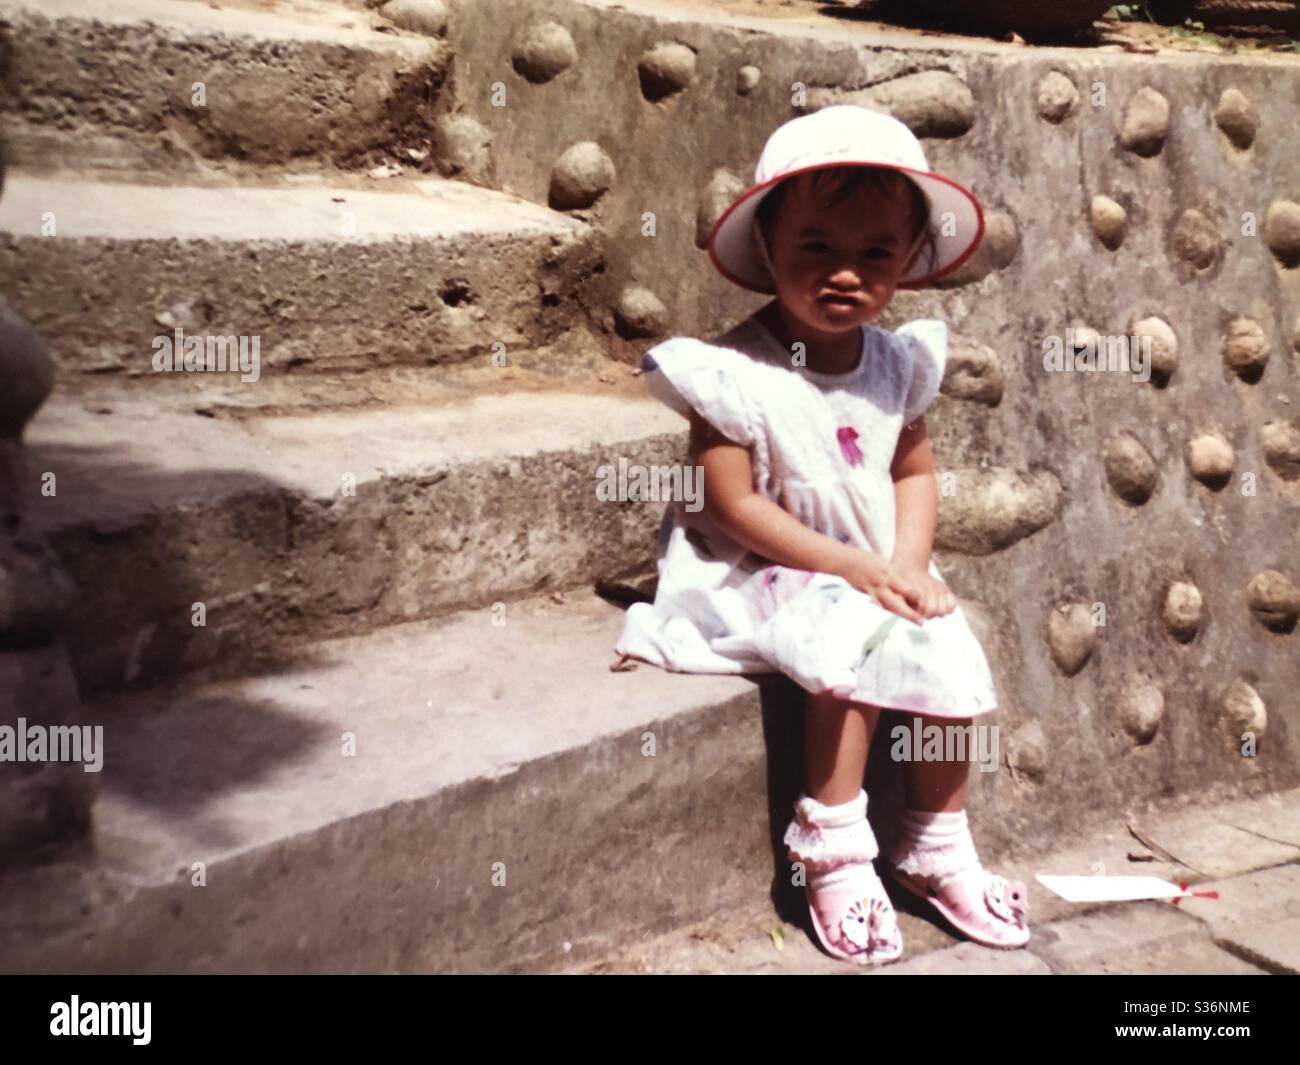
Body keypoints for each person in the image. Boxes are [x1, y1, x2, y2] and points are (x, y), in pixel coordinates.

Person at [613, 105, 1029, 964]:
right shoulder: (734, 375)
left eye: (875, 253)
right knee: (849, 626)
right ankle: (832, 837)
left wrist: (907, 566)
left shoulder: (896, 367)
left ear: (909, 261)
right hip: (763, 567)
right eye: (815, 248)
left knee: (939, 632)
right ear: (768, 249)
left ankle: (936, 839)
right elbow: (732, 506)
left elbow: (912, 473)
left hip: (869, 563)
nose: (845, 274)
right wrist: (850, 565)